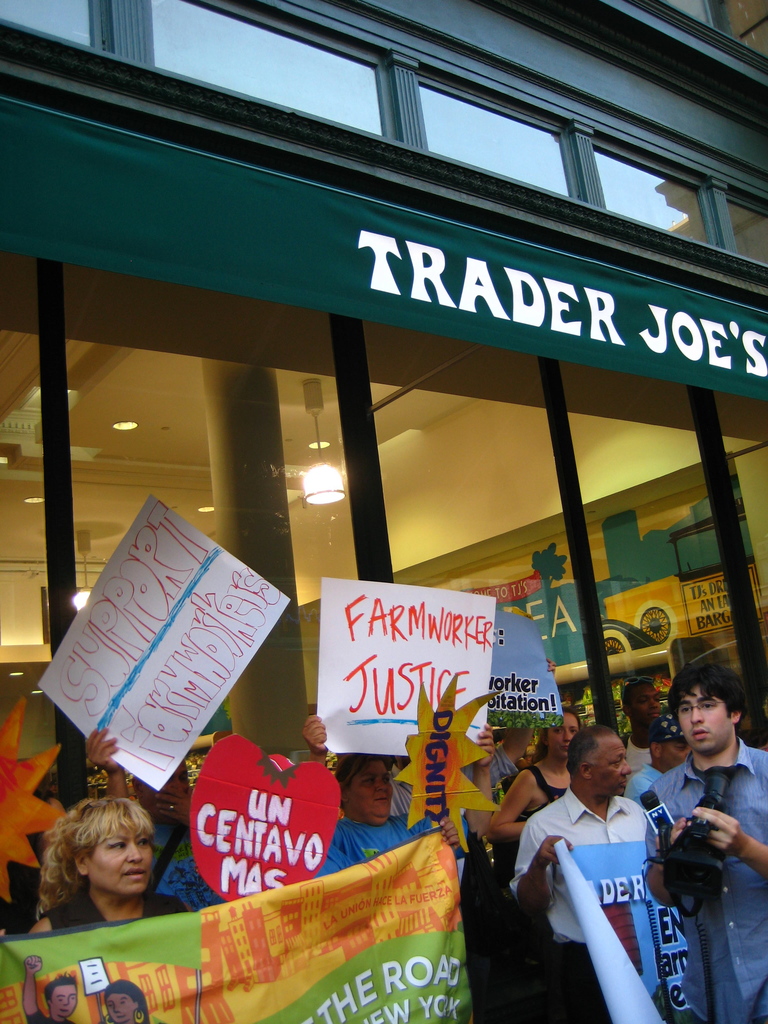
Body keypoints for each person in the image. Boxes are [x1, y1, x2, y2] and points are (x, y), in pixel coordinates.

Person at [647, 663, 768, 1024]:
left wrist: (742, 847)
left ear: (734, 713)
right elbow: (663, 895)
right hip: (712, 987)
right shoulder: (661, 794)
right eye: (685, 708)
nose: (695, 718)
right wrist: (669, 854)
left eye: (707, 705)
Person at [511, 725, 646, 1024]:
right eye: (616, 762)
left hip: (644, 949)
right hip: (586, 963)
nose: (626, 769)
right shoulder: (542, 826)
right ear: (586, 770)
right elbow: (530, 905)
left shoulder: (635, 814)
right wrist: (538, 866)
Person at [86, 729, 222, 911]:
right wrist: (114, 773)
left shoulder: (210, 823)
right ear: (139, 788)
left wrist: (198, 821)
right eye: (166, 779)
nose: (178, 787)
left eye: (183, 778)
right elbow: (119, 822)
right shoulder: (138, 835)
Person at [30, 796, 187, 931]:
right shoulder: (51, 933)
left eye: (143, 842)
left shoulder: (180, 916)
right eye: (119, 845)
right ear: (82, 862)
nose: (136, 855)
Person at [487, 710, 580, 887]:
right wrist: (544, 825)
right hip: (533, 879)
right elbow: (494, 830)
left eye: (573, 731)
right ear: (544, 738)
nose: (567, 737)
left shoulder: (579, 776)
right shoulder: (529, 779)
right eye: (558, 730)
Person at [624, 712, 688, 803]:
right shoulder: (642, 786)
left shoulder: (684, 778)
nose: (690, 753)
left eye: (693, 747)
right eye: (681, 747)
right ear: (657, 749)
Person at [621, 675, 661, 776]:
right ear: (627, 710)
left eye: (657, 699)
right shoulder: (621, 754)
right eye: (643, 700)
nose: (654, 704)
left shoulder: (672, 747)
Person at [23, 959, 77, 1024]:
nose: (67, 1003)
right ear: (49, 1002)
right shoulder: (40, 1022)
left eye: (72, 998)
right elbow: (29, 1003)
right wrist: (30, 974)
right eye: (60, 999)